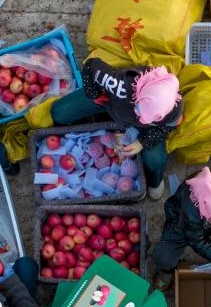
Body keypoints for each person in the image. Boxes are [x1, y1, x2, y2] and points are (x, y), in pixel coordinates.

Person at [50, 58, 184, 201]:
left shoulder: (174, 109)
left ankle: (155, 181)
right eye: (140, 112)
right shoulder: (119, 84)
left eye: (148, 119)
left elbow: (167, 128)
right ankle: (81, 125)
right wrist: (93, 94)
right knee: (60, 112)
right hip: (110, 102)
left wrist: (141, 142)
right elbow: (90, 65)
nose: (141, 119)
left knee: (155, 160)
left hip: (144, 130)